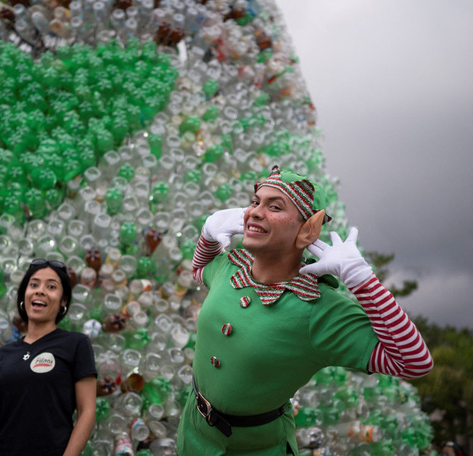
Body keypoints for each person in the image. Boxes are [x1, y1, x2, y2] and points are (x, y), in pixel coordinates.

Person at [177, 166, 433, 455]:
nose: (255, 212)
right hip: (192, 432)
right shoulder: (230, 266)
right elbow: (199, 269)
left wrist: (363, 280)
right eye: (254, 202)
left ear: (307, 229)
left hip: (255, 447)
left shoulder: (320, 309)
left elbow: (413, 362)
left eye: (274, 206)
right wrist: (209, 233)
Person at [0, 259, 97, 456]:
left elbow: (87, 412)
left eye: (51, 286)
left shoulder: (76, 344)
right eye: (34, 285)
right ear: (25, 295)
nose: (40, 291)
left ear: (63, 300)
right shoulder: (4, 354)